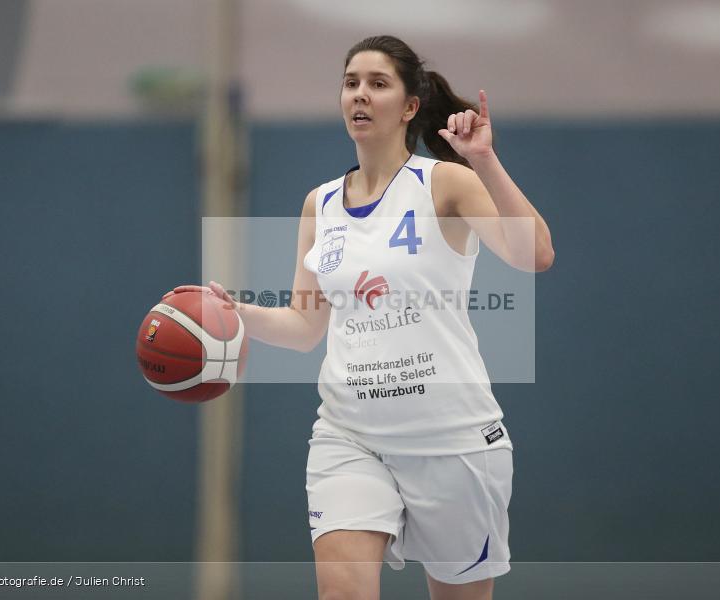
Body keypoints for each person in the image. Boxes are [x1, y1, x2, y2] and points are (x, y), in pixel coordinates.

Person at [169, 35, 554, 600]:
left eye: (377, 84)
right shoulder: (319, 204)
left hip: (450, 439)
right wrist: (236, 313)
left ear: (410, 106)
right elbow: (305, 330)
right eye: (351, 83)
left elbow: (535, 254)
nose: (360, 95)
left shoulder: (443, 182)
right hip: (350, 435)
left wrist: (484, 159)